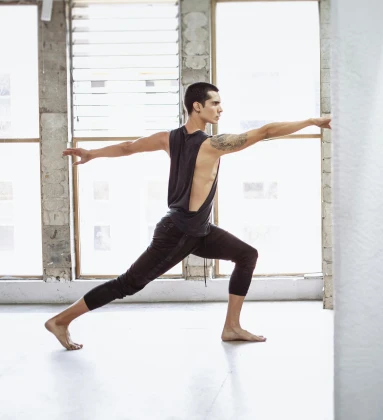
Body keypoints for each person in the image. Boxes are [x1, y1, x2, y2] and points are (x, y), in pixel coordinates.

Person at [45, 82, 331, 350]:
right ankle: (60, 321)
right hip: (179, 231)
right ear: (197, 106)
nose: (220, 109)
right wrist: (310, 122)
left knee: (247, 255)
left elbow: (128, 148)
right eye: (215, 103)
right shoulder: (211, 144)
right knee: (128, 284)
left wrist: (92, 153)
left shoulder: (168, 139)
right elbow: (266, 131)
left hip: (199, 230)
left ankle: (232, 326)